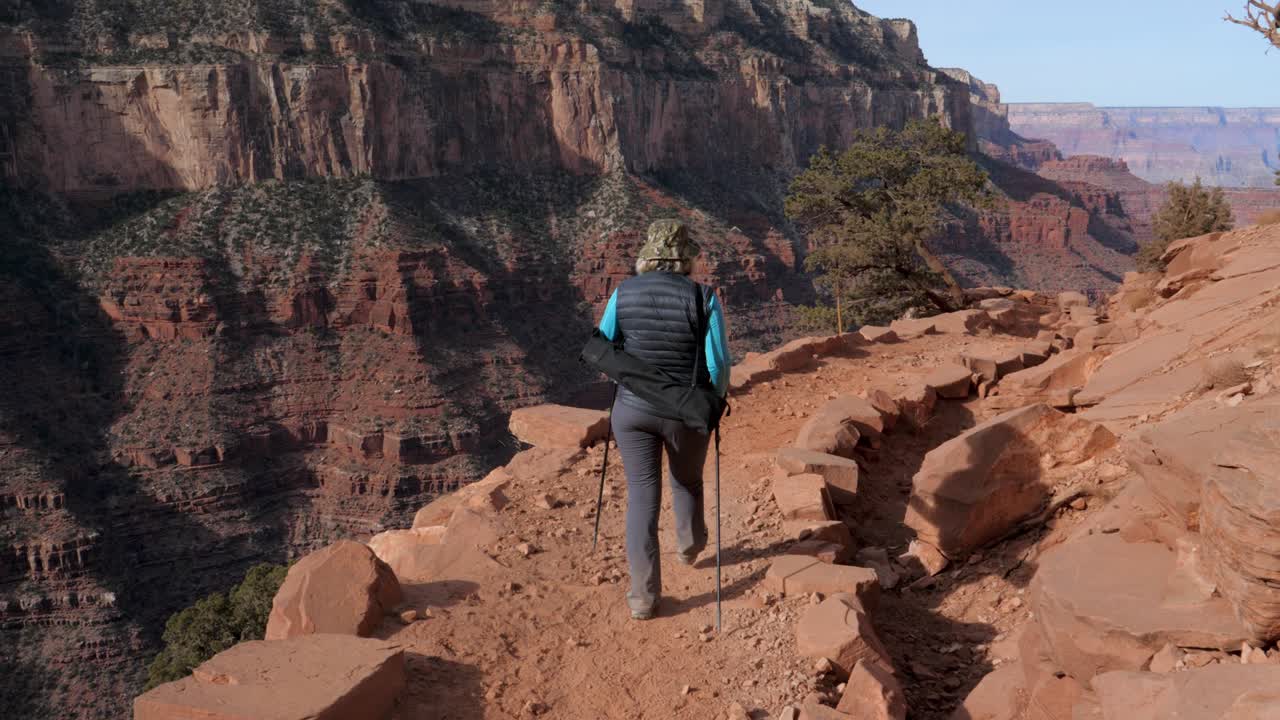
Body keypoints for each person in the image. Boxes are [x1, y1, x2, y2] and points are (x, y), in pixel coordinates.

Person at [595, 219, 732, 620]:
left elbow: (604, 343)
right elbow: (718, 363)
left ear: (647, 256)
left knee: (641, 495)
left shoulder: (623, 292)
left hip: (631, 412)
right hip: (685, 412)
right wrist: (715, 401)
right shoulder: (703, 297)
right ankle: (690, 547)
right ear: (687, 257)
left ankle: (642, 597)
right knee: (687, 479)